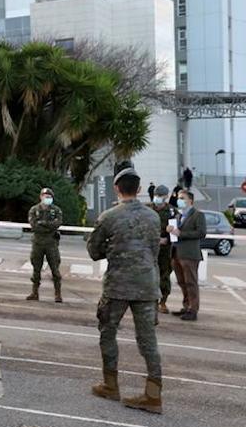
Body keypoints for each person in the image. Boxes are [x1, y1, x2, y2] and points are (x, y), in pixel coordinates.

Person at [88, 166, 164, 413]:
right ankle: (153, 396)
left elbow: (94, 251)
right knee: (148, 341)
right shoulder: (153, 217)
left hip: (117, 286)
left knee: (108, 333)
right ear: (140, 190)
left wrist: (113, 249)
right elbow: (155, 250)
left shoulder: (109, 216)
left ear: (117, 188)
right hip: (147, 285)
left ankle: (111, 385)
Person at [170, 189, 206, 321]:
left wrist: (181, 234)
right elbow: (176, 233)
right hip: (177, 253)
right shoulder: (179, 215)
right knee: (182, 282)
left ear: (190, 200)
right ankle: (186, 306)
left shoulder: (198, 215)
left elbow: (201, 233)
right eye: (179, 198)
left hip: (189, 254)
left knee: (191, 283)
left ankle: (193, 309)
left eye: (182, 198)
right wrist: (171, 231)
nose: (179, 200)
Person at [27, 187, 64, 302]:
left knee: (55, 269)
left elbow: (57, 223)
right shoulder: (34, 210)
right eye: (45, 196)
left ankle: (58, 294)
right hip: (38, 243)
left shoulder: (56, 210)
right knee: (36, 269)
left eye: (49, 197)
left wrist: (44, 224)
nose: (47, 198)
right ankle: (35, 292)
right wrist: (48, 226)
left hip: (51, 244)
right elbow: (34, 225)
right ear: (41, 197)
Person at [149, 185, 177, 316]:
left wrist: (167, 240)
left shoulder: (172, 212)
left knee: (164, 276)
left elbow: (175, 232)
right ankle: (150, 301)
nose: (158, 198)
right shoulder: (147, 209)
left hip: (165, 250)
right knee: (149, 275)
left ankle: (163, 301)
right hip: (149, 249)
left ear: (166, 197)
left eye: (160, 196)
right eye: (156, 195)